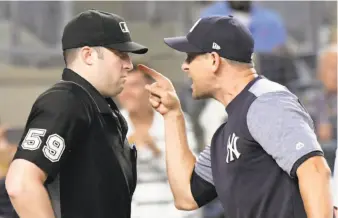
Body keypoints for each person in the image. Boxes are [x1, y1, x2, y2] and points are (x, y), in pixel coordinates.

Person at [138, 15, 333, 218]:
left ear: (214, 60)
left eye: (190, 57)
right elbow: (187, 196)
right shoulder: (231, 124)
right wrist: (172, 115)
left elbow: (315, 171)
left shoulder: (266, 101)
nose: (184, 66)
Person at [5, 9, 148, 218]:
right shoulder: (66, 101)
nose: (128, 64)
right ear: (88, 55)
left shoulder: (100, 107)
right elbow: (21, 184)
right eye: (120, 54)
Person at [117, 63, 201, 218]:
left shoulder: (175, 120)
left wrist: (153, 149)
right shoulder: (110, 126)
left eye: (134, 86)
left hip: (176, 212)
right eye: (123, 86)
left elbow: (191, 176)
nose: (127, 93)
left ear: (150, 89)